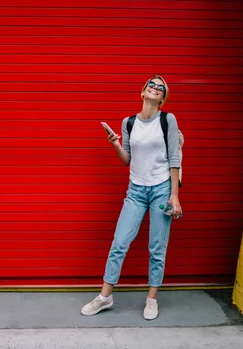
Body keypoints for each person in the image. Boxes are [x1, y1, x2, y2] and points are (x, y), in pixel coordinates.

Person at [81, 75, 182, 320]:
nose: (155, 88)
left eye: (161, 87)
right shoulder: (128, 123)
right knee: (119, 243)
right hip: (135, 190)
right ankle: (105, 297)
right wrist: (116, 144)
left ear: (163, 98)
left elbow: (174, 157)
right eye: (152, 84)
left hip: (160, 188)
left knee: (157, 247)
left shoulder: (168, 120)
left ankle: (151, 299)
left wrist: (175, 196)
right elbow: (128, 160)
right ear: (143, 92)